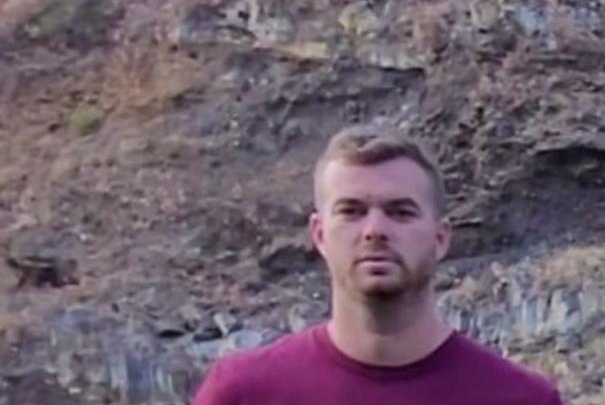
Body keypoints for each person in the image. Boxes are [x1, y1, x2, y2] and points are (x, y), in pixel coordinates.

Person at [193, 124, 564, 404]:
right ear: (320, 234)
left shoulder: (519, 399)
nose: (374, 230)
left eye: (400, 212)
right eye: (351, 211)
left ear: (440, 237)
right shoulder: (243, 394)